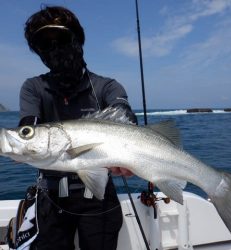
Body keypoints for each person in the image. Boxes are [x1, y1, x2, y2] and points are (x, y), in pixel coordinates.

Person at [19, 5, 137, 250]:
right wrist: (21, 143)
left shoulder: (106, 86)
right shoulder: (33, 88)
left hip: (100, 197)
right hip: (50, 196)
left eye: (60, 39)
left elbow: (124, 116)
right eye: (44, 44)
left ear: (77, 39)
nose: (54, 49)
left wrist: (128, 155)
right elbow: (28, 126)